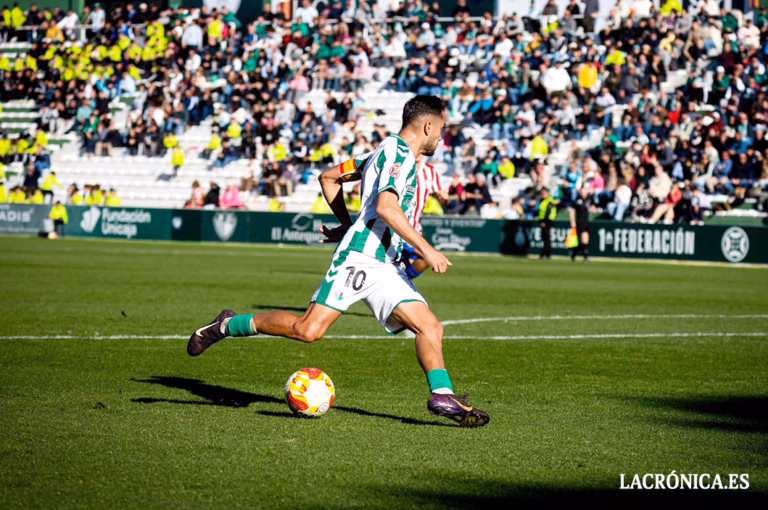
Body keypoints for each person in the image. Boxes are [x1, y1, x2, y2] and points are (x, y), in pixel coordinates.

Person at [187, 96, 489, 428]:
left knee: (429, 326)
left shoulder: (382, 153)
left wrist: (348, 224)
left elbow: (329, 178)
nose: (442, 137)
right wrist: (426, 250)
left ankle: (443, 395)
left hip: (384, 264)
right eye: (442, 128)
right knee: (308, 330)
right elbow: (387, 209)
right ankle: (228, 325)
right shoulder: (395, 154)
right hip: (360, 259)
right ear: (428, 125)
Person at [569, 188, 590, 262]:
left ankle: (574, 253)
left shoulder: (589, 199)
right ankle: (586, 257)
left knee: (584, 242)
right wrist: (572, 221)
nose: (583, 193)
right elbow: (572, 210)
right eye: (582, 192)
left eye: (584, 192)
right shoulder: (577, 201)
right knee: (584, 239)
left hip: (586, 222)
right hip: (579, 222)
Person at [538, 187, 557, 259]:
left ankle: (547, 254)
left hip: (547, 221)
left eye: (544, 193)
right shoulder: (543, 201)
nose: (543, 194)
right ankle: (545, 253)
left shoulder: (549, 201)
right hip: (545, 221)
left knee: (547, 238)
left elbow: (548, 212)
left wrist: (544, 221)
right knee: (545, 238)